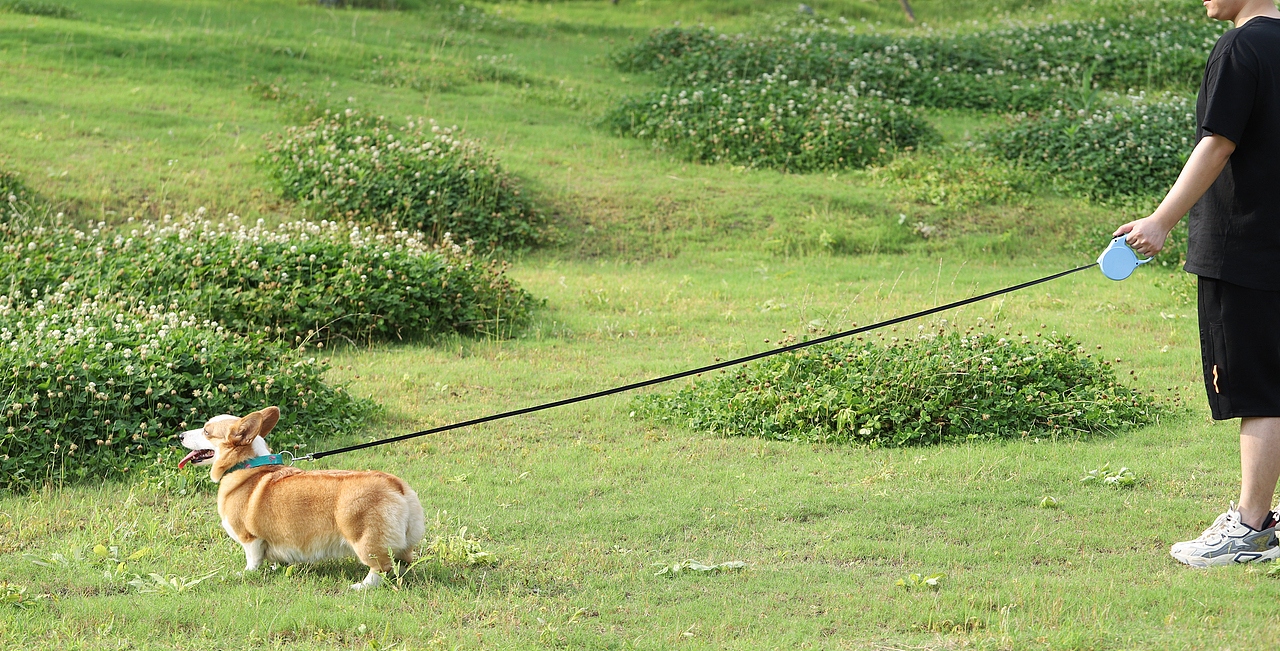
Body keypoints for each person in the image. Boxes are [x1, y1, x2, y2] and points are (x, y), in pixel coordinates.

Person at [1113, 0, 1280, 567]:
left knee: (1260, 391)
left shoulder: (1242, 46)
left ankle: (1251, 529)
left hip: (1245, 249)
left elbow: (1218, 142)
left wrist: (1159, 221)